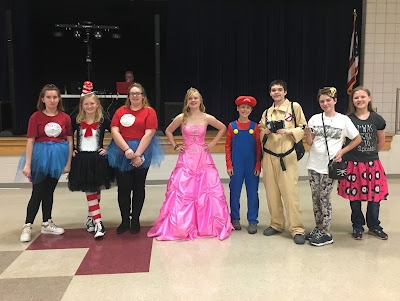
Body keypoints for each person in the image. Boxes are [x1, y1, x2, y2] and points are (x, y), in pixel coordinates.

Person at [147, 87, 233, 241]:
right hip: (186, 158)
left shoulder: (207, 117)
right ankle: (183, 224)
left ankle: (205, 224)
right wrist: (175, 145)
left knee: (206, 191)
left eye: (196, 98)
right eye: (190, 98)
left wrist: (212, 143)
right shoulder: (181, 117)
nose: (193, 101)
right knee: (183, 191)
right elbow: (168, 131)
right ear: (187, 102)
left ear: (200, 101)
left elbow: (223, 128)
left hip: (203, 158)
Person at [304, 87, 361, 246]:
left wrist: (342, 151)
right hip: (314, 164)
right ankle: (319, 227)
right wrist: (308, 133)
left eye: (328, 100)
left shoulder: (343, 120)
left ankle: (327, 232)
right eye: (322, 101)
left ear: (335, 101)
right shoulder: (315, 118)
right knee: (315, 198)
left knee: (324, 198)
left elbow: (357, 139)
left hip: (330, 166)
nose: (325, 103)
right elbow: (310, 143)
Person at [18, 84, 73, 243]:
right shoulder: (36, 117)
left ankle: (47, 222)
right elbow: (30, 141)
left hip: (57, 158)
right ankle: (27, 225)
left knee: (49, 191)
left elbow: (70, 141)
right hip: (40, 158)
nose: (52, 100)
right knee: (38, 192)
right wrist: (28, 164)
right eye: (48, 97)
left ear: (59, 99)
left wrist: (67, 163)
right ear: (43, 99)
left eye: (55, 97)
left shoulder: (65, 117)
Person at [107, 83, 163, 234]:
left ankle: (135, 219)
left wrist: (137, 154)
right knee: (123, 189)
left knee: (139, 187)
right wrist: (126, 149)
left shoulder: (149, 112)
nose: (135, 96)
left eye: (138, 93)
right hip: (121, 151)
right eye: (132, 93)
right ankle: (125, 220)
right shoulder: (120, 111)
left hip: (143, 151)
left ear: (143, 96)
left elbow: (149, 133)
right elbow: (114, 130)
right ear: (128, 96)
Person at [338, 86, 389, 240]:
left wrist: (369, 155)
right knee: (355, 199)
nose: (359, 100)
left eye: (362, 97)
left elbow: (380, 142)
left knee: (375, 198)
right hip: (352, 164)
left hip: (372, 164)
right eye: (356, 98)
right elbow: (343, 142)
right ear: (352, 101)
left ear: (369, 98)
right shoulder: (348, 119)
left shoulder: (377, 119)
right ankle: (357, 226)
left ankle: (374, 226)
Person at [259, 79, 307, 244]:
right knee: (271, 193)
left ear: (285, 92)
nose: (276, 92)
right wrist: (264, 131)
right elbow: (259, 132)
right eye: (273, 90)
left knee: (290, 193)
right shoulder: (267, 112)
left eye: (279, 89)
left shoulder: (294, 107)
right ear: (270, 93)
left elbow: (303, 127)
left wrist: (288, 131)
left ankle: (297, 229)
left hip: (287, 156)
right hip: (268, 156)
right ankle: (277, 224)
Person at [68, 82, 114, 239]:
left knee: (96, 188)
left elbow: (117, 133)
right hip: (82, 159)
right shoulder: (76, 120)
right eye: (86, 104)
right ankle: (99, 223)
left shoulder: (103, 120)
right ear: (82, 105)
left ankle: (90, 218)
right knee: (90, 190)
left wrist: (109, 149)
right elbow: (66, 137)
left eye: (92, 103)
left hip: (97, 158)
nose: (89, 106)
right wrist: (72, 149)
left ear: (97, 104)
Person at [225, 96, 261, 234]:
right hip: (236, 165)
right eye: (242, 107)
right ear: (238, 108)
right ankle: (235, 218)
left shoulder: (254, 126)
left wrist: (258, 165)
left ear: (251, 110)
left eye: (248, 108)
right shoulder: (232, 126)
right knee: (234, 192)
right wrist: (229, 164)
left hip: (251, 166)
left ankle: (252, 220)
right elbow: (227, 147)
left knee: (253, 193)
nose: (245, 110)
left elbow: (258, 147)